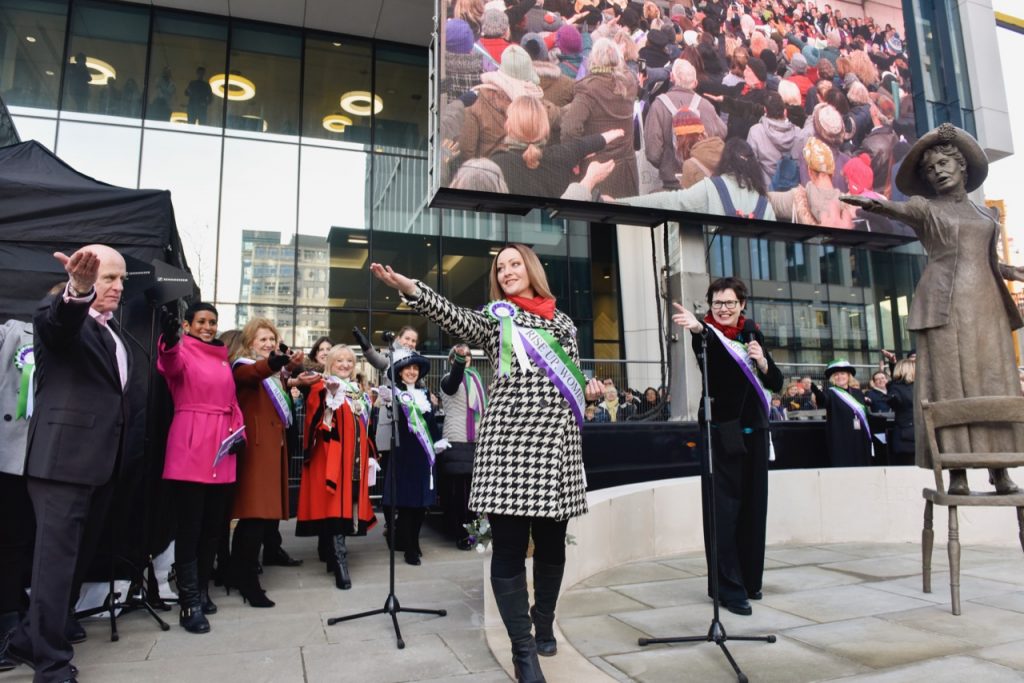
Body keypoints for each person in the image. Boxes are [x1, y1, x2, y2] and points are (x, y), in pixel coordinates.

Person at [370, 244, 604, 683]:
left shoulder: (566, 322)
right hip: (510, 449)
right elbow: (452, 315)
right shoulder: (497, 319)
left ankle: (544, 620)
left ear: (531, 268)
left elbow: (569, 374)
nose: (508, 270)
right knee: (511, 548)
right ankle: (522, 650)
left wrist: (587, 390)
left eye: (515, 263)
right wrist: (410, 289)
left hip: (557, 446)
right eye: (501, 266)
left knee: (552, 546)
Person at [843, 123, 1024, 495]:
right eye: (930, 169)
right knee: (950, 384)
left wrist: (1012, 271)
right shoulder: (925, 208)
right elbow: (900, 209)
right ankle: (956, 469)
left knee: (992, 378)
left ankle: (1000, 467)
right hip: (944, 304)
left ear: (962, 169)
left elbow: (985, 259)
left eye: (944, 163)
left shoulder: (987, 215)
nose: (937, 171)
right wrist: (875, 202)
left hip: (986, 303)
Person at [6, 245, 129, 682]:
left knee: (70, 565)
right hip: (61, 464)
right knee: (54, 567)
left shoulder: (114, 332)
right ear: (85, 277)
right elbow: (57, 326)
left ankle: (25, 640)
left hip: (98, 465)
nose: (116, 287)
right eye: (108, 278)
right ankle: (51, 666)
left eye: (120, 280)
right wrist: (76, 291)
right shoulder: (62, 313)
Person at [671, 277, 783, 617]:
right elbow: (713, 360)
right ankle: (727, 587)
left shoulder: (752, 334)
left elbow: (776, 382)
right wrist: (696, 330)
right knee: (724, 512)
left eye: (729, 303)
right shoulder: (706, 336)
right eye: (717, 303)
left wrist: (762, 361)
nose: (723, 309)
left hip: (755, 430)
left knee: (753, 507)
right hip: (721, 432)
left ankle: (750, 580)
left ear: (742, 305)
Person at [156, 301, 243, 634]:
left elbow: (231, 400)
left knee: (212, 526)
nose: (208, 326)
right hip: (191, 443)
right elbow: (169, 364)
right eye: (202, 321)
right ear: (189, 325)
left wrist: (238, 430)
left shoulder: (222, 358)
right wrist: (168, 337)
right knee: (190, 527)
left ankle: (202, 589)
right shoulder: (182, 351)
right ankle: (188, 601)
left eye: (213, 321)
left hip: (221, 447)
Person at [230, 319, 311, 608]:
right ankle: (247, 581)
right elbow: (256, 372)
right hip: (255, 453)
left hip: (271, 451)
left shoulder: (272, 373)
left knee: (261, 520)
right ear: (249, 342)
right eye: (262, 339)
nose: (267, 344)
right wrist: (278, 363)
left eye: (271, 340)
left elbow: (275, 379)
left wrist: (288, 368)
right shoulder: (242, 367)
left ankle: (238, 572)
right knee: (253, 518)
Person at [296, 344, 378, 590]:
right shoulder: (322, 387)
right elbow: (318, 423)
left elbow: (363, 425)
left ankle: (334, 557)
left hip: (354, 458)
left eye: (349, 361)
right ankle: (340, 562)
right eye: (340, 361)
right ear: (329, 363)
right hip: (332, 457)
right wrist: (329, 401)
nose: (345, 365)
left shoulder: (357, 391)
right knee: (334, 505)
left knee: (348, 505)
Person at [382, 349, 445, 566]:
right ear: (399, 373)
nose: (411, 371)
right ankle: (408, 548)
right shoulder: (395, 394)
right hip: (405, 454)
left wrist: (438, 441)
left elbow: (429, 423)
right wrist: (390, 402)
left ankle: (414, 542)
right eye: (407, 368)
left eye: (415, 368)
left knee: (421, 505)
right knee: (408, 506)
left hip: (424, 455)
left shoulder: (425, 395)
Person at [616, 138, 776, 221]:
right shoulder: (764, 204)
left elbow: (669, 201)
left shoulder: (712, 188)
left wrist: (621, 204)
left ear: (725, 160)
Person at [0, 315, 36, 671]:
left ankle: (27, 613)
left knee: (35, 540)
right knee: (10, 541)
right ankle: (8, 621)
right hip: (11, 456)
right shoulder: (15, 335)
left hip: (50, 461)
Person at [560, 38, 639, 197]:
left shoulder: (588, 88)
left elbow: (569, 128)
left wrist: (576, 154)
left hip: (597, 168)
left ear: (593, 59)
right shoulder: (630, 80)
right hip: (627, 166)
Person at [438, 343, 487, 550]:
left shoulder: (476, 379)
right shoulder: (448, 380)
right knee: (459, 493)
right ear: (452, 360)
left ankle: (475, 532)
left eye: (467, 354)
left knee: (474, 493)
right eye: (459, 355)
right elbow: (454, 380)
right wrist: (459, 363)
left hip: (476, 441)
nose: (465, 357)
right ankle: (460, 534)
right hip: (457, 440)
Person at [811, 359, 873, 467]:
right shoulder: (830, 392)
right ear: (832, 378)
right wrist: (817, 392)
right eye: (836, 375)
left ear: (849, 376)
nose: (840, 377)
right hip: (841, 438)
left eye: (843, 373)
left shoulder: (858, 393)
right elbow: (823, 401)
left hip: (859, 436)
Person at [887, 358, 916, 466]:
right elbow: (895, 401)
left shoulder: (917, 386)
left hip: (911, 434)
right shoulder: (898, 387)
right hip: (908, 436)